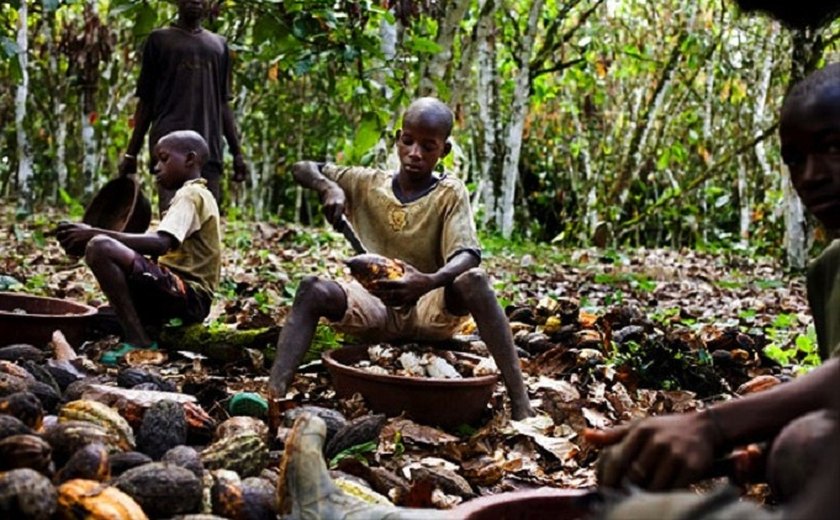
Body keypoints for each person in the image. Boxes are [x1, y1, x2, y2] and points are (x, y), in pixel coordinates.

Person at [268, 97, 534, 420]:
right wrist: (328, 187)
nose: (415, 153)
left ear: (444, 151)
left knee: (475, 282)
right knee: (312, 288)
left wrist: (428, 281)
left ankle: (521, 405)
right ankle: (273, 395)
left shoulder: (449, 193)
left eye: (428, 146)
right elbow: (303, 167)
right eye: (407, 141)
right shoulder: (368, 183)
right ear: (397, 139)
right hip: (374, 304)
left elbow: (468, 254)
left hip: (429, 307)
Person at [58, 130, 221, 365]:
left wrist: (93, 233)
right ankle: (146, 328)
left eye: (163, 159)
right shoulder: (197, 195)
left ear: (189, 159)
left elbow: (162, 243)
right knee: (94, 317)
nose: (156, 168)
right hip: (178, 296)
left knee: (100, 246)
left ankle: (139, 341)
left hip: (189, 296)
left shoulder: (191, 194)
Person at [119, 0, 247, 213]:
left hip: (208, 146)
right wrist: (131, 155)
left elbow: (223, 104)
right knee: (171, 219)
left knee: (205, 220)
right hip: (170, 147)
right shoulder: (159, 41)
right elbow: (146, 102)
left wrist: (237, 153)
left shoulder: (219, 45)